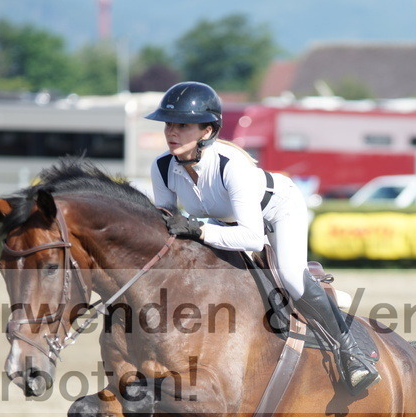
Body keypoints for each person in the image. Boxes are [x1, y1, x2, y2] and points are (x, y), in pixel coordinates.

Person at [146, 82, 379, 394]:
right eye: (168, 124)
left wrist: (199, 231)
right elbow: (167, 223)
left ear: (207, 131)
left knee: (291, 277)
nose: (171, 132)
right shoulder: (162, 167)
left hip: (279, 211)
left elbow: (253, 238)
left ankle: (352, 352)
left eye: (183, 125)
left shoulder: (231, 166)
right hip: (225, 221)